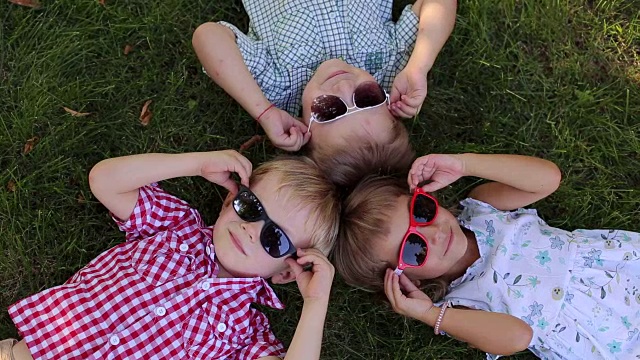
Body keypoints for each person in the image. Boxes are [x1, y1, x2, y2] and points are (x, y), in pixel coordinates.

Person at [1, 150, 341, 360]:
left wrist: (315, 303)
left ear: (286, 271)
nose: (253, 229)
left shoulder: (247, 331)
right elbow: (104, 181)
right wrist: (196, 163)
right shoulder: (177, 225)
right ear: (229, 201)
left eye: (275, 238)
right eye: (251, 207)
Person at [333, 153, 640, 359]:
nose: (435, 234)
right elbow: (519, 337)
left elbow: (547, 179)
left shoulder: (481, 209)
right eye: (415, 248)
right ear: (403, 279)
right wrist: (428, 315)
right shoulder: (458, 305)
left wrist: (463, 164)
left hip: (616, 265)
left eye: (422, 212)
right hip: (600, 335)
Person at [192, 0, 456, 187]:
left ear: (304, 130)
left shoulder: (278, 86)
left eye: (329, 110)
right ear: (388, 102)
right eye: (366, 99)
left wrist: (264, 111)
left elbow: (208, 35)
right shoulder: (390, 70)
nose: (343, 87)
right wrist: (418, 67)